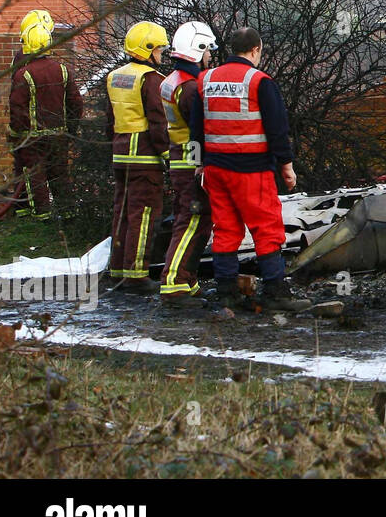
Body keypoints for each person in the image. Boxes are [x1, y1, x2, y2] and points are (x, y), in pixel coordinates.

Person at [188, 26, 310, 312]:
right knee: (267, 229)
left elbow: (195, 128)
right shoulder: (259, 81)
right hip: (252, 170)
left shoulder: (205, 79)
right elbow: (277, 128)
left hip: (216, 170)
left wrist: (197, 163)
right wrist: (287, 166)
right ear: (256, 49)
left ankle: (227, 293)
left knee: (225, 230)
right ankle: (275, 294)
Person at [157, 21, 218, 308]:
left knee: (189, 219)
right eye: (208, 50)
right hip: (188, 160)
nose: (210, 57)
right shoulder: (191, 88)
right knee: (193, 221)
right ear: (199, 48)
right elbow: (198, 131)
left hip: (176, 156)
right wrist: (199, 165)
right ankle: (175, 283)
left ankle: (187, 281)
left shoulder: (172, 79)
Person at [106, 21, 170, 292]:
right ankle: (136, 274)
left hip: (121, 155)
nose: (161, 54)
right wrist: (169, 154)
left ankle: (118, 269)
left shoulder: (114, 76)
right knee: (143, 214)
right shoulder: (152, 79)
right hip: (145, 158)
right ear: (148, 49)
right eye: (158, 49)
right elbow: (159, 122)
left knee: (122, 213)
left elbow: (110, 119)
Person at [7, 10, 82, 219]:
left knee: (34, 174)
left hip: (33, 135)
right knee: (60, 173)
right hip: (59, 133)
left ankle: (42, 216)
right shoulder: (63, 69)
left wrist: (17, 132)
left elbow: (17, 107)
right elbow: (76, 102)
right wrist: (71, 128)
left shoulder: (24, 72)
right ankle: (68, 213)